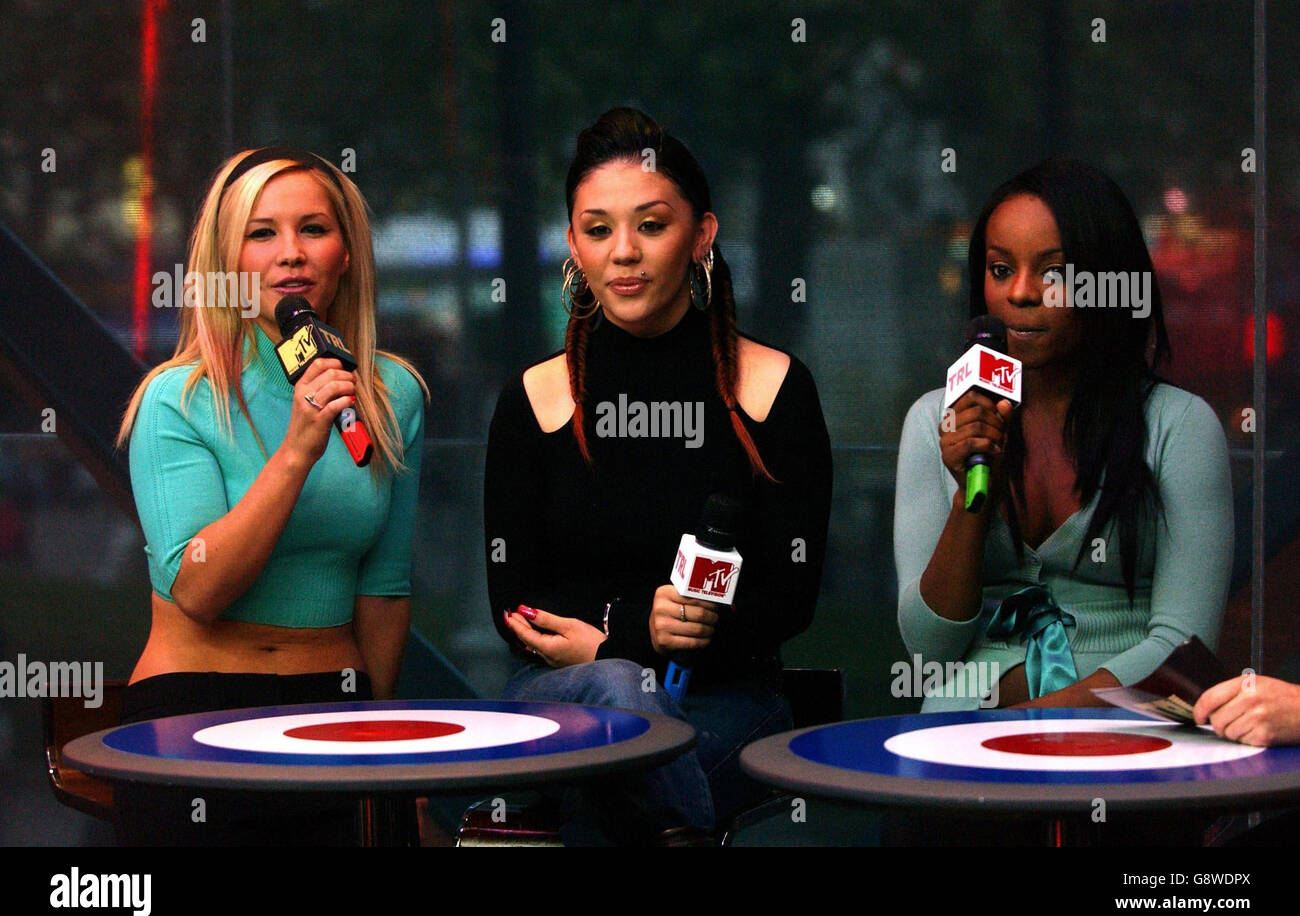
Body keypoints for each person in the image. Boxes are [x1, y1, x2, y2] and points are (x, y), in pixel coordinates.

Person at [483, 108, 832, 843]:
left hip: (730, 700)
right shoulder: (536, 400)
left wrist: (629, 643)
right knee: (616, 693)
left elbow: (791, 598)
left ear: (701, 235)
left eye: (651, 224)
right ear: (574, 244)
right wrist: (632, 640)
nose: (625, 253)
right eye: (599, 229)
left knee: (597, 777)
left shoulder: (772, 388)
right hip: (559, 696)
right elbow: (514, 605)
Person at [114, 147, 427, 845]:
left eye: (313, 229)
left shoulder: (391, 394)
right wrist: (296, 451)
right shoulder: (180, 400)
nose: (291, 253)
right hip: (196, 713)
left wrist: (386, 755)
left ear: (346, 253)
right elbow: (196, 588)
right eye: (262, 233)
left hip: (337, 710)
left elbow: (384, 591)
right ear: (226, 263)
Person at [894, 158, 1234, 713]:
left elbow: (1183, 645)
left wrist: (1040, 722)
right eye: (1001, 270)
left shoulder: (1178, 427)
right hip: (960, 740)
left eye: (1053, 273)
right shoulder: (936, 420)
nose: (1022, 293)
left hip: (1127, 730)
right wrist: (970, 499)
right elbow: (929, 649)